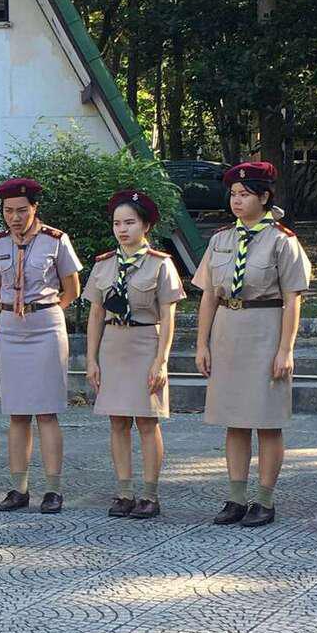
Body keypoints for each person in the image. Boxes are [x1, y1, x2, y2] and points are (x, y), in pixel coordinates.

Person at [193, 162, 311, 527]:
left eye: (245, 194)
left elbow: (293, 299)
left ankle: (265, 499)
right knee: (234, 420)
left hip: (265, 329)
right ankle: (236, 497)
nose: (237, 200)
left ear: (264, 197)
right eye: (233, 194)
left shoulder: (282, 240)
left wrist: (285, 349)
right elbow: (209, 296)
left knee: (267, 420)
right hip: (228, 330)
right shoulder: (220, 239)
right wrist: (202, 344)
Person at [0, 178, 82, 514]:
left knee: (47, 411)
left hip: (46, 326)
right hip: (11, 328)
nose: (15, 217)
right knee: (17, 412)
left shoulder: (56, 240)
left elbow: (72, 288)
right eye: (8, 211)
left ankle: (53, 489)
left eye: (22, 210)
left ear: (34, 208)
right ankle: (18, 488)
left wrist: (47, 311)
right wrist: (13, 311)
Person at [82, 190, 186, 519]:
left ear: (145, 225)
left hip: (145, 343)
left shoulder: (160, 264)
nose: (122, 229)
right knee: (117, 421)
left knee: (147, 421)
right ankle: (124, 492)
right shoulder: (104, 265)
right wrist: (91, 359)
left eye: (129, 222)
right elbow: (96, 314)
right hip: (114, 344)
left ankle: (150, 494)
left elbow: (168, 316)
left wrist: (161, 361)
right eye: (117, 223)